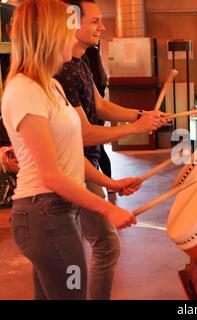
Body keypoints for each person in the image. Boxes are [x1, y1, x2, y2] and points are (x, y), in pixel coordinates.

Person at [1, 0, 139, 300]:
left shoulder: (50, 86)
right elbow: (51, 175)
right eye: (68, 28)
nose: (74, 33)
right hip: (44, 214)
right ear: (50, 35)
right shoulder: (25, 90)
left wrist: (110, 183)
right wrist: (107, 208)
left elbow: (69, 156)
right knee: (72, 292)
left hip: (56, 212)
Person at [56, 0, 170, 300]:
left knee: (75, 253)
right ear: (71, 22)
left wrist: (141, 115)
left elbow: (101, 106)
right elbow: (82, 134)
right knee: (102, 246)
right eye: (95, 21)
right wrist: (135, 128)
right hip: (75, 167)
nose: (102, 27)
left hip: (87, 164)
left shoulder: (80, 62)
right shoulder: (62, 72)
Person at [83, 44, 112, 182]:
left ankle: (101, 181)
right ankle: (107, 181)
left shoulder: (87, 77)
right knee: (99, 149)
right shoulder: (101, 76)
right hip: (98, 116)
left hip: (90, 115)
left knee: (95, 149)